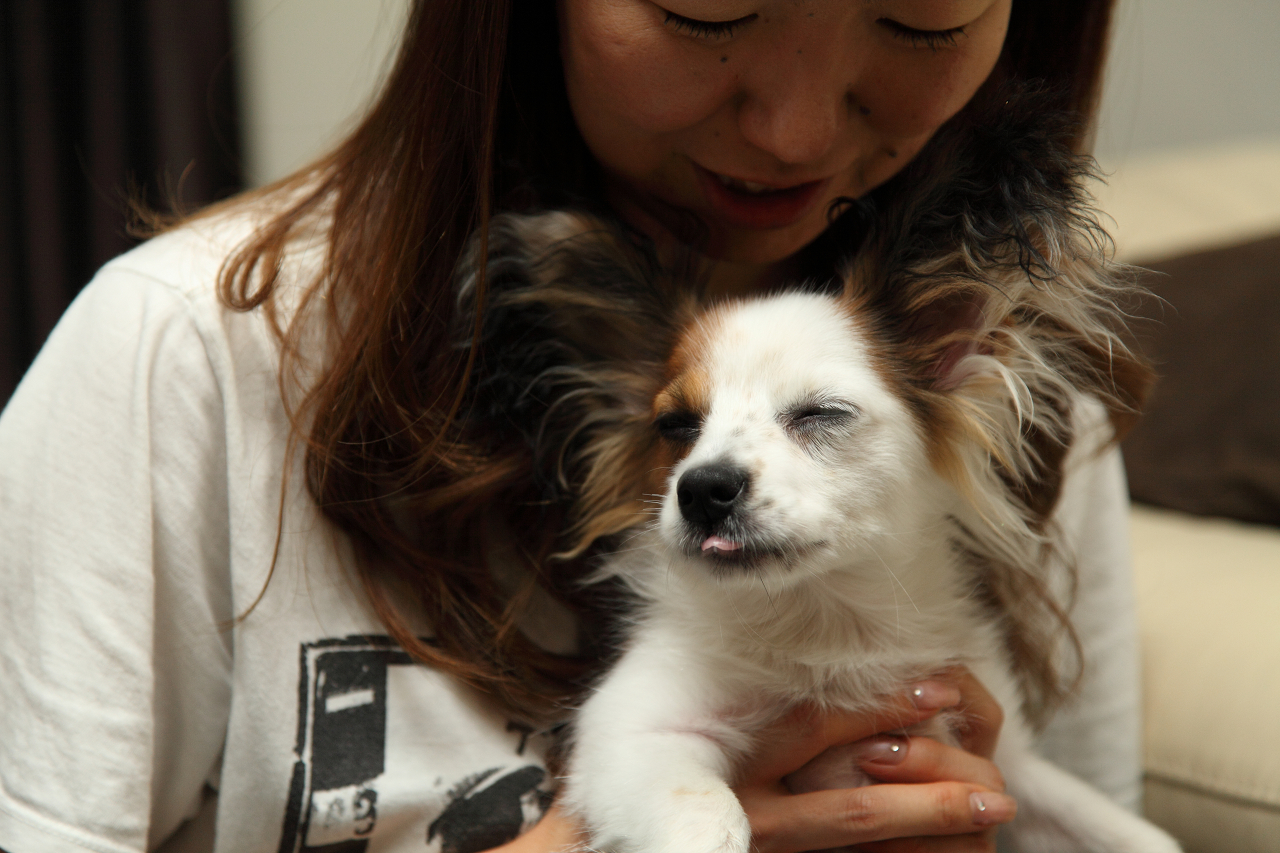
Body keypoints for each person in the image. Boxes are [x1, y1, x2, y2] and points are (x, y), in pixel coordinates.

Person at [0, 2, 1147, 852]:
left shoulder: (1004, 404)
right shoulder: (175, 350)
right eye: (706, 9)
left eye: (918, 17)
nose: (793, 131)